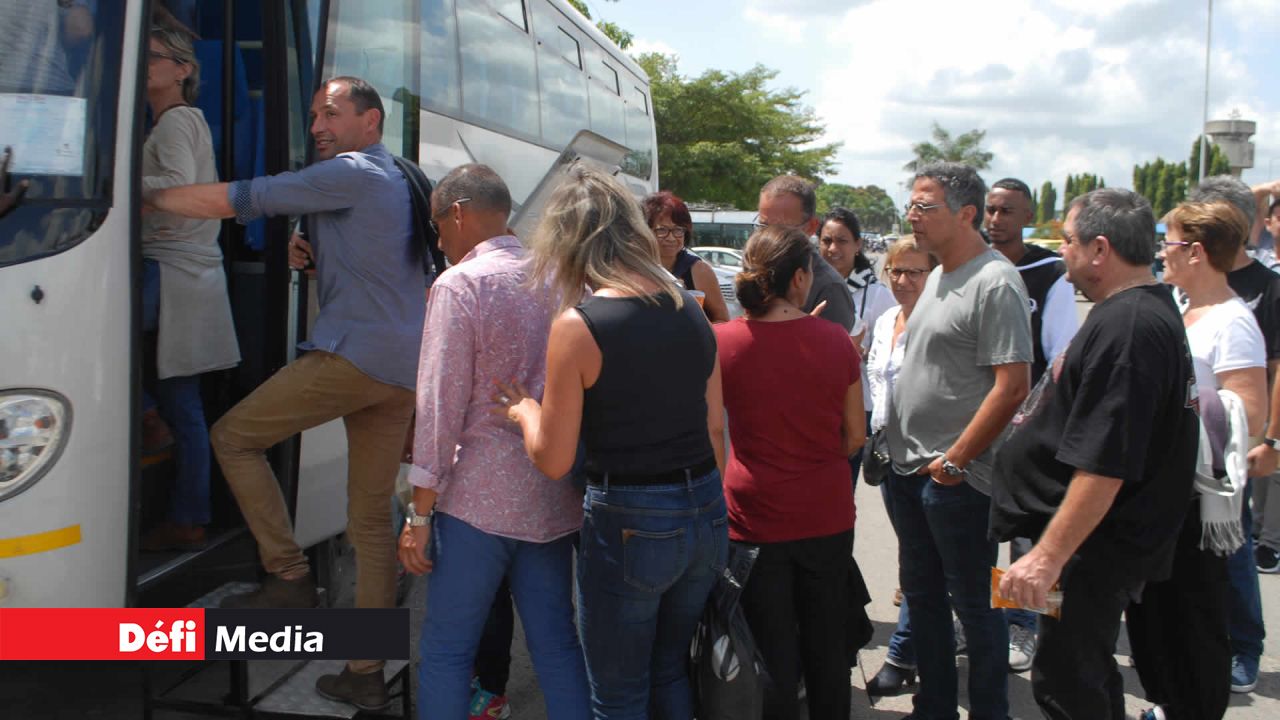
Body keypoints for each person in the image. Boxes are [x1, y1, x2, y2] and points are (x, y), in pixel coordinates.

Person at [148, 76, 425, 709]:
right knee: (370, 523)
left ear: (371, 122)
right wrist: (313, 256)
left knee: (232, 437)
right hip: (398, 369)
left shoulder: (351, 171)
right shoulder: (397, 176)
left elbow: (248, 198)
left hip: (354, 356)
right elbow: (375, 265)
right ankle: (364, 672)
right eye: (313, 115)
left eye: (332, 113)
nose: (318, 126)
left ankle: (289, 577)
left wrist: (145, 199)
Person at [497, 165, 727, 720]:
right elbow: (715, 426)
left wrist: (525, 411)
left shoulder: (579, 325)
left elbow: (553, 458)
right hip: (705, 510)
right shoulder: (688, 307)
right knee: (670, 669)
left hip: (629, 518)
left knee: (618, 694)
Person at [990, 188, 1200, 720]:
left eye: (1068, 242)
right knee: (1085, 669)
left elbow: (1104, 462)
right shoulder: (1128, 314)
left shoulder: (1128, 329)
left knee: (1066, 680)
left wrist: (1047, 557)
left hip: (1090, 550)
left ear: (1100, 249)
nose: (1062, 253)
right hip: (1086, 546)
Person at [397, 164, 588, 720]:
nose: (438, 240)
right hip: (552, 495)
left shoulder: (460, 285)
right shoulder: (557, 279)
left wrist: (420, 512)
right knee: (557, 645)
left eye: (437, 225)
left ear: (458, 212)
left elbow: (439, 404)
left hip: (475, 504)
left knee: (447, 652)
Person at [885, 161, 1032, 720]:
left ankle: (990, 710)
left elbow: (1012, 385)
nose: (913, 216)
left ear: (966, 214)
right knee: (922, 600)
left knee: (976, 606)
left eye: (926, 207)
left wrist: (956, 460)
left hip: (956, 479)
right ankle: (935, 706)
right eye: (912, 204)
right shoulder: (940, 273)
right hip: (910, 473)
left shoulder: (995, 282)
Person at [1124, 199, 1268, 720]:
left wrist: (1180, 413)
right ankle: (1169, 704)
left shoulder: (1232, 322)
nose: (1163, 250)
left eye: (1171, 241)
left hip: (1196, 496)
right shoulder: (1186, 310)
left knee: (1193, 615)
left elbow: (1247, 410)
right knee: (1158, 615)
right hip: (1166, 487)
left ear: (1196, 252)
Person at [715, 225, 864, 719]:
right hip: (826, 512)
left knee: (772, 654)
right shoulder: (836, 342)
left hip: (754, 517)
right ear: (801, 278)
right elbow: (855, 437)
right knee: (827, 649)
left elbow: (715, 433)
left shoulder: (722, 343)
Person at [136, 24, 240, 551]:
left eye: (153, 56)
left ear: (183, 69)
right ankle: (189, 517)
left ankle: (144, 414)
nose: (144, 63)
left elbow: (177, 190)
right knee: (186, 405)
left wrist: (116, 181)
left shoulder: (176, 121)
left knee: (91, 335)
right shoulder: (174, 122)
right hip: (187, 278)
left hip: (170, 271)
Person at [984, 176, 1079, 672]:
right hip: (979, 421)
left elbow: (1061, 352)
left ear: (1027, 218)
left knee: (1028, 533)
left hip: (1030, 424)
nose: (997, 220)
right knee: (980, 528)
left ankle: (1025, 624)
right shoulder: (971, 264)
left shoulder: (1051, 273)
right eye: (991, 210)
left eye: (1008, 211)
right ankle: (984, 615)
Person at [1191, 175, 1278, 694]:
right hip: (1192, 449)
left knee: (1233, 545)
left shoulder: (1266, 291)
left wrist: (1271, 439)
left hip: (1235, 443)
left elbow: (1274, 371)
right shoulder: (1189, 291)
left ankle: (1245, 645)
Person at [857, 236, 937, 697]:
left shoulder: (942, 322)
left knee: (926, 566)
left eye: (914, 272)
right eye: (896, 271)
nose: (903, 281)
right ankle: (925, 647)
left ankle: (904, 654)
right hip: (892, 458)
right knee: (916, 558)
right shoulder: (887, 320)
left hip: (934, 462)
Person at [756, 175, 858, 332]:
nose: (770, 237)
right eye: (763, 226)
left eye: (783, 229)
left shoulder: (829, 289)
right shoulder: (755, 272)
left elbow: (834, 353)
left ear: (811, 227)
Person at [642, 191, 730, 322]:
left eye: (678, 230)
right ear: (644, 231)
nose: (671, 238)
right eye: (662, 230)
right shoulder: (633, 267)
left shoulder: (699, 270)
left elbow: (722, 320)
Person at [1254, 195, 1280, 576]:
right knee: (1258, 457)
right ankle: (1258, 529)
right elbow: (1250, 203)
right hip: (1259, 373)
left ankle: (1271, 542)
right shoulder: (1260, 262)